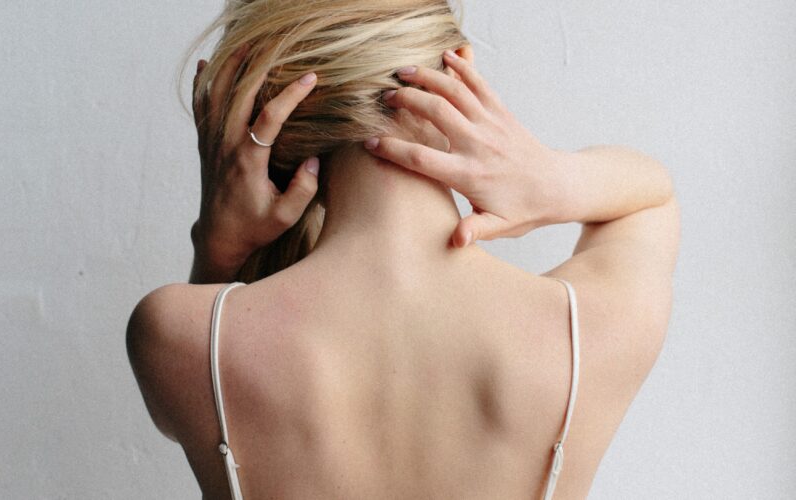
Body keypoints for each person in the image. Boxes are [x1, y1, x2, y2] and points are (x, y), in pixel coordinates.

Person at [126, 1, 680, 498]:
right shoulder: (592, 330)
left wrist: (217, 249)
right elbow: (653, 198)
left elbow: (193, 397)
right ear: (460, 72)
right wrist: (548, 177)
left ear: (275, 120)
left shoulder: (174, 333)